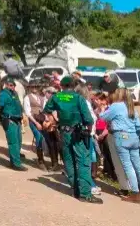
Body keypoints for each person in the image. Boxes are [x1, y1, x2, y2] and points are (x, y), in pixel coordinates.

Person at [42, 76, 102, 204]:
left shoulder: (56, 97)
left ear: (62, 86)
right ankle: (85, 194)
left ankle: (75, 189)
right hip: (78, 133)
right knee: (83, 162)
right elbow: (88, 119)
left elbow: (46, 111)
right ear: (73, 86)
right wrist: (89, 130)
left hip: (63, 132)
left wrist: (56, 120)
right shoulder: (78, 98)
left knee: (68, 160)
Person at [99, 88, 140, 203]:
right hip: (134, 137)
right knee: (138, 166)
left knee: (127, 166)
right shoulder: (131, 107)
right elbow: (139, 126)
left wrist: (102, 109)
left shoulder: (116, 106)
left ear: (119, 95)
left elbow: (103, 117)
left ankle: (135, 193)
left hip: (121, 136)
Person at [0, 78, 27, 171]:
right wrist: (3, 117)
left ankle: (13, 161)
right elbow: (0, 107)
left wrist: (23, 114)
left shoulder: (15, 94)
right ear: (6, 85)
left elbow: (19, 105)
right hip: (10, 120)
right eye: (10, 85)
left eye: (13, 85)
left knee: (18, 142)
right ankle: (16, 164)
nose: (12, 86)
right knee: (13, 142)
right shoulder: (3, 94)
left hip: (17, 120)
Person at [23, 80, 48, 170]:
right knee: (39, 137)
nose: (34, 88)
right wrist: (36, 123)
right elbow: (28, 113)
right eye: (33, 87)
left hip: (42, 120)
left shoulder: (42, 98)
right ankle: (40, 160)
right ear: (30, 88)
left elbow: (45, 110)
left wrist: (46, 120)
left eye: (36, 87)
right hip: (33, 120)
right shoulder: (27, 98)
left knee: (45, 138)